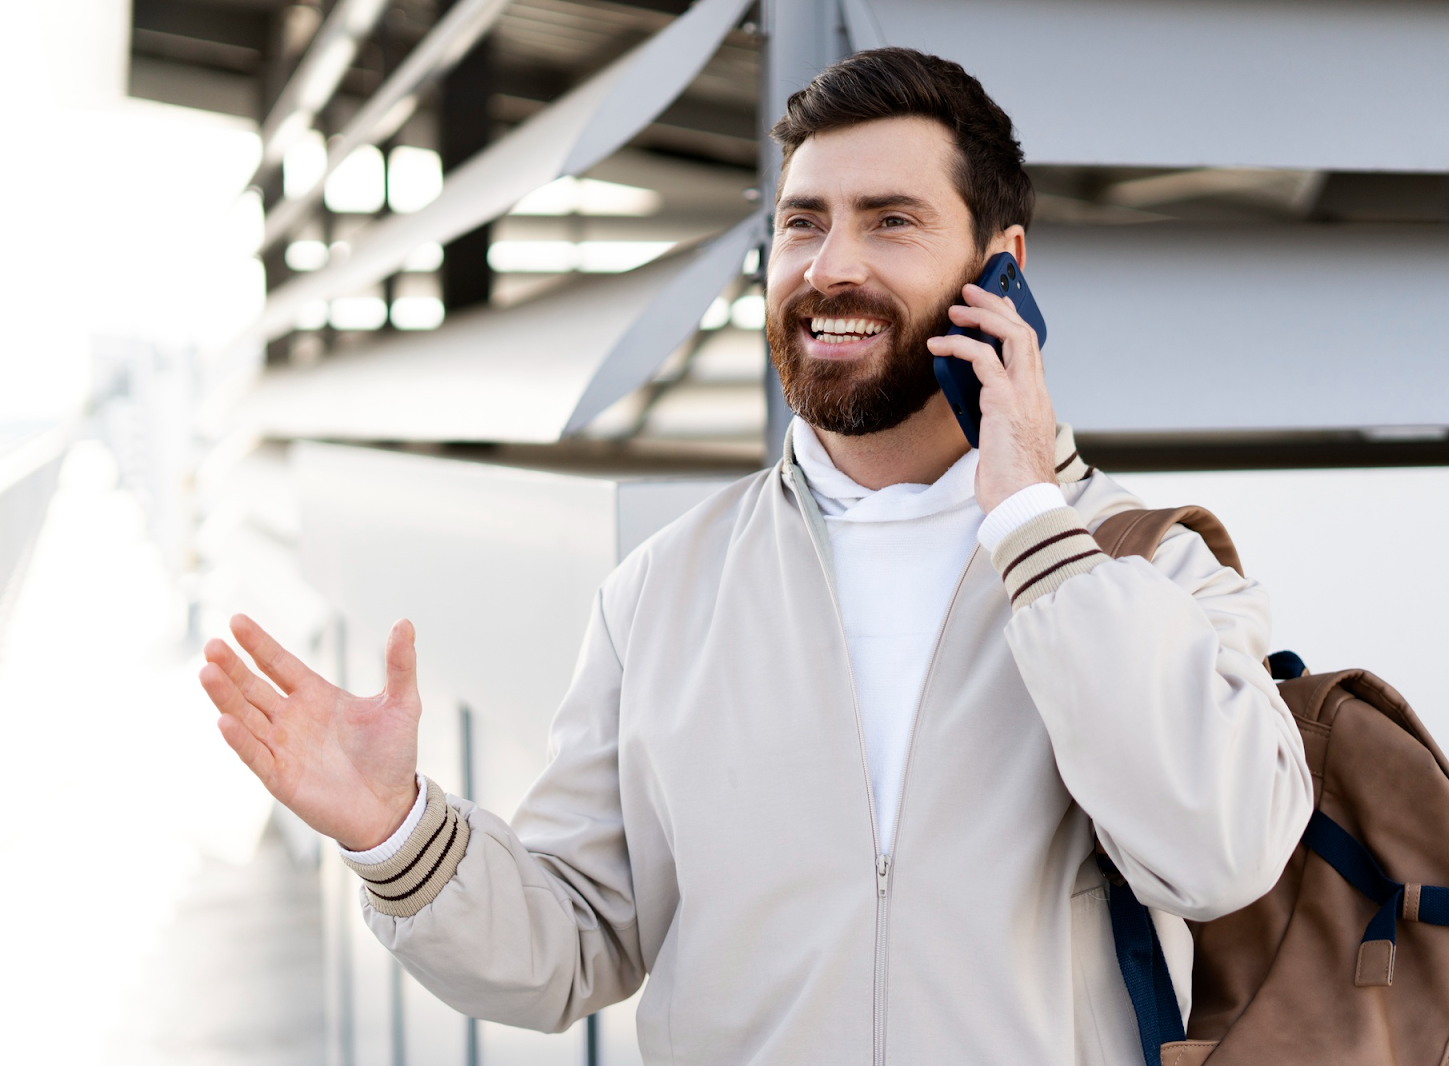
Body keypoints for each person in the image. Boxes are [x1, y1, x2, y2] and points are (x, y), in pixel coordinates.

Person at [199, 48, 1312, 1066]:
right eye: (802, 223)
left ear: (1001, 267)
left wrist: (1030, 519)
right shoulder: (662, 592)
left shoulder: (1147, 566)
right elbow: (575, 942)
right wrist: (396, 832)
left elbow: (1221, 854)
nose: (831, 266)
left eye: (890, 222)